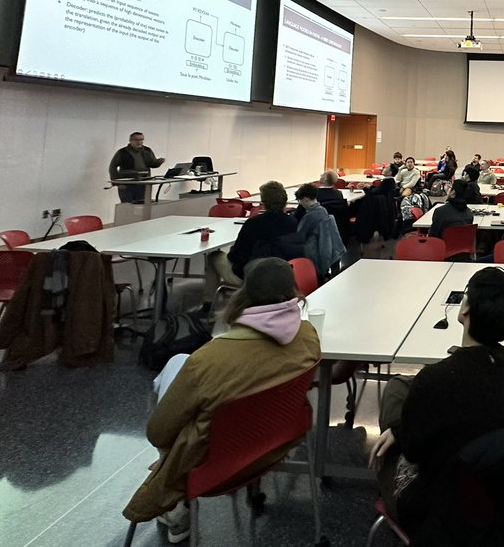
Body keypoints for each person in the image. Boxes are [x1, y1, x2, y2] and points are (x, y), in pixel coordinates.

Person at [367, 267, 504, 533]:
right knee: (402, 389)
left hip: (439, 505)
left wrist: (399, 432)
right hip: (498, 494)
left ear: (465, 310)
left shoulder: (434, 380)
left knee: (390, 424)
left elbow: (414, 451)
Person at [124, 258, 321, 537]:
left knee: (178, 366)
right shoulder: (309, 337)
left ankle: (178, 508)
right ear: (294, 295)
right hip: (274, 446)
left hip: (213, 466)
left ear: (243, 297)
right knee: (182, 367)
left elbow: (158, 433)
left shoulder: (209, 360)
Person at [201, 181, 298, 314]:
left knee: (214, 256)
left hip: (253, 276)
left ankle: (208, 304)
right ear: (285, 201)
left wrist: (232, 252)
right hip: (282, 275)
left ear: (263, 202)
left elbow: (236, 255)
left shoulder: (253, 224)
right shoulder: (293, 222)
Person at [294, 183, 345, 280]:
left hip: (314, 255)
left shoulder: (310, 217)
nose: (300, 203)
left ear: (306, 199)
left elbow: (299, 235)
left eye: (300, 200)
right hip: (329, 252)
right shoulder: (323, 211)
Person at [108, 131, 165, 203]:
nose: (139, 142)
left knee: (142, 205)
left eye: (141, 140)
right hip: (128, 184)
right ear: (131, 141)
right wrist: (117, 183)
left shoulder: (147, 150)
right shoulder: (122, 152)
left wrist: (158, 162)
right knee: (127, 205)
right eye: (136, 140)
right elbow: (112, 167)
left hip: (144, 183)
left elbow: (152, 164)